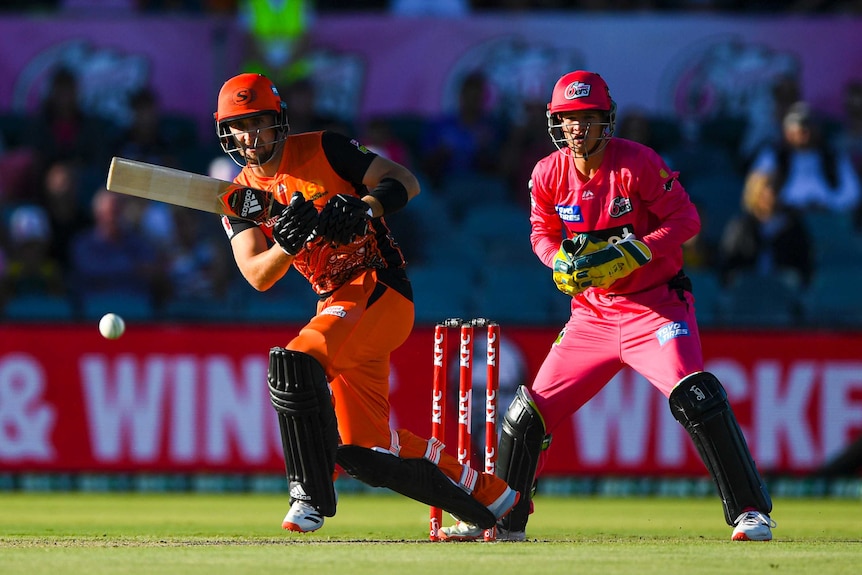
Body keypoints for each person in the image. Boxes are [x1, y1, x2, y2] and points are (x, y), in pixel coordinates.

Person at [440, 70, 776, 542]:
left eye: (589, 118)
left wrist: (635, 251)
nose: (578, 128)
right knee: (527, 414)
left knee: (695, 394)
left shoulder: (637, 164)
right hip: (592, 316)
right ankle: (503, 520)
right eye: (569, 119)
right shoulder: (546, 173)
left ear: (606, 121)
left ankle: (750, 511)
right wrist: (557, 262)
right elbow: (542, 234)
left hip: (655, 307)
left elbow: (687, 219)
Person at [212, 72, 518, 533]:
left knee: (294, 363)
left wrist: (364, 207)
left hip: (379, 287)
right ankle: (495, 500)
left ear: (279, 121)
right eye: (240, 126)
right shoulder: (237, 196)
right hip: (335, 306)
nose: (250, 136)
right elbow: (257, 273)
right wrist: (287, 245)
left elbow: (404, 181)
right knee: (366, 453)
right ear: (227, 132)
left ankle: (308, 494)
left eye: (259, 122)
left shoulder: (324, 147)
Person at [749, 101, 861, 213]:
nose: (803, 133)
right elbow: (756, 192)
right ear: (787, 131)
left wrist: (828, 206)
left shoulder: (834, 156)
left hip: (827, 219)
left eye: (808, 126)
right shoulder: (773, 156)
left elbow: (852, 194)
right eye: (797, 128)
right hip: (785, 218)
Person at [718, 170, 813, 289]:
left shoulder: (793, 226)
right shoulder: (741, 227)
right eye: (765, 189)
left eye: (775, 188)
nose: (771, 193)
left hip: (782, 288)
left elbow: (804, 264)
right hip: (749, 289)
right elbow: (728, 262)